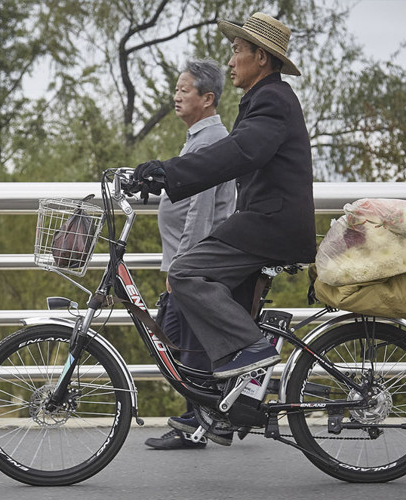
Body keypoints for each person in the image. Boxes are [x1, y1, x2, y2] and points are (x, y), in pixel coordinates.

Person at [131, 12, 316, 440]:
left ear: (262, 58)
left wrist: (168, 172)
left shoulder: (273, 101)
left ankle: (253, 351)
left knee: (185, 272)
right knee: (212, 299)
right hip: (263, 222)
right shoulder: (263, 99)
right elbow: (237, 155)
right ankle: (225, 411)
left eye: (237, 50)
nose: (231, 61)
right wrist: (165, 173)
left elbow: (238, 154)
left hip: (270, 225)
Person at [144, 59, 236, 450]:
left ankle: (199, 421)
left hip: (195, 263)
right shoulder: (201, 137)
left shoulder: (210, 140)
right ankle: (208, 416)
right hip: (193, 261)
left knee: (186, 343)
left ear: (208, 98)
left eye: (185, 90)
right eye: (177, 90)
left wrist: (181, 267)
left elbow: (200, 213)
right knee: (181, 339)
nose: (176, 96)